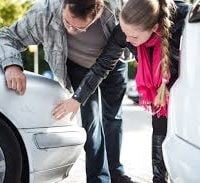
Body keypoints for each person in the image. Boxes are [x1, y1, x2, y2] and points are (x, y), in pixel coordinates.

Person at [54, 0, 189, 182]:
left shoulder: (183, 22)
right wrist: (78, 97)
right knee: (159, 128)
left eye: (133, 37)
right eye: (125, 33)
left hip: (187, 87)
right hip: (160, 90)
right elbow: (103, 65)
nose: (126, 40)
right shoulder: (124, 33)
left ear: (155, 28)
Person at [0, 0, 133, 182]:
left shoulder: (115, 7)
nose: (71, 31)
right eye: (68, 22)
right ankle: (99, 179)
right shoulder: (44, 13)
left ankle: (116, 173)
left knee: (113, 119)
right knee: (91, 125)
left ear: (99, 10)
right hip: (78, 67)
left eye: (81, 28)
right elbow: (7, 36)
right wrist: (12, 65)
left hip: (112, 62)